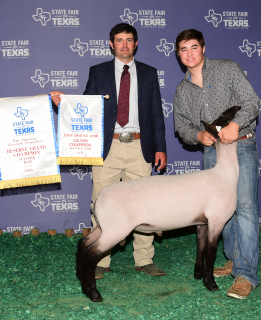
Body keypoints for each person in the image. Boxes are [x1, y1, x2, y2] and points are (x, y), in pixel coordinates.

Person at [50, 23, 167, 279]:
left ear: (136, 43)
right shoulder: (98, 71)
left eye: (129, 39)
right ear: (111, 44)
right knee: (100, 203)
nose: (124, 44)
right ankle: (101, 260)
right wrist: (64, 103)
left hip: (140, 146)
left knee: (143, 205)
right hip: (107, 147)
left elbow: (157, 114)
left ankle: (144, 259)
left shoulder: (149, 72)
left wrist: (160, 147)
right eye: (119, 40)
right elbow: (85, 107)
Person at [173, 29, 260, 299]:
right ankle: (233, 260)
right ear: (178, 54)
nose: (189, 53)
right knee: (223, 211)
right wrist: (197, 135)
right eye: (183, 49)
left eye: (193, 47)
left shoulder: (228, 69)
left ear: (203, 48)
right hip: (212, 153)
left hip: (240, 146)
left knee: (244, 207)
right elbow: (182, 127)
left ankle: (246, 275)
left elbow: (252, 102)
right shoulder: (182, 90)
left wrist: (235, 124)